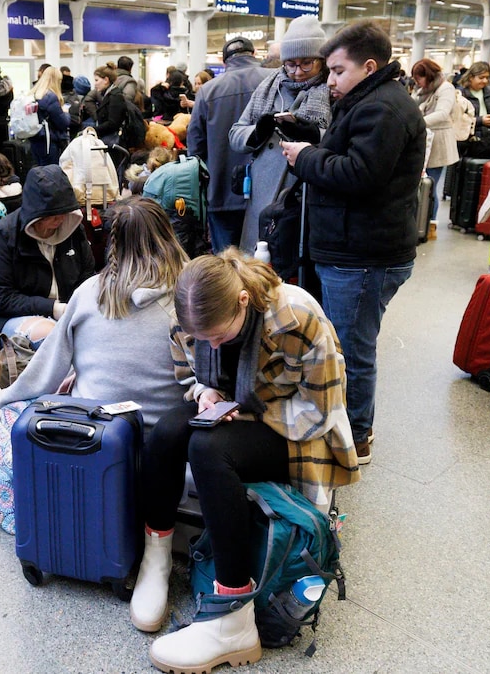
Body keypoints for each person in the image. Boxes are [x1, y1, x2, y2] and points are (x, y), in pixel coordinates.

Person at [132, 251, 359, 671]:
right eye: (203, 340)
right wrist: (205, 393)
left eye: (218, 337)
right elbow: (190, 374)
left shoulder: (296, 314)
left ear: (242, 301)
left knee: (208, 448)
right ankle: (157, 557)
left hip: (294, 427)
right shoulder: (188, 317)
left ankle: (233, 616)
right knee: (165, 434)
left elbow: (320, 409)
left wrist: (246, 414)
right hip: (236, 407)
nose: (212, 346)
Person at [281, 19, 426, 463]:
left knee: (351, 349)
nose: (330, 80)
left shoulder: (383, 108)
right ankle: (346, 424)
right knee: (344, 343)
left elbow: (359, 175)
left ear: (368, 65)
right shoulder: (369, 101)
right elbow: (354, 156)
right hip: (354, 247)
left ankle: (356, 436)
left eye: (338, 70)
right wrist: (316, 142)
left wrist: (306, 157)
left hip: (363, 254)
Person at [0, 197, 188, 428]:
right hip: (164, 434)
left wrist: (2, 400)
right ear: (168, 235)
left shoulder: (89, 292)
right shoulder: (191, 292)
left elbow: (46, 370)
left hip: (93, 431)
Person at [0, 165, 95, 358]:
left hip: (64, 311)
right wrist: (53, 308)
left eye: (65, 212)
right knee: (50, 337)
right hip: (3, 316)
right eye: (51, 214)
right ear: (35, 212)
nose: (59, 219)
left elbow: (86, 277)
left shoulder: (73, 230)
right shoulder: (3, 235)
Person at [229, 15, 332, 254]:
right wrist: (257, 133)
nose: (297, 71)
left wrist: (315, 133)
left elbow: (341, 139)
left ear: (321, 61)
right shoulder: (268, 87)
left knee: (292, 261)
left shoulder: (332, 89)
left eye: (307, 63)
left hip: (304, 193)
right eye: (290, 63)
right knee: (257, 262)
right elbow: (235, 133)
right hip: (261, 194)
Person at [186, 37, 272, 253]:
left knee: (226, 266)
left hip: (221, 191)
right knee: (264, 263)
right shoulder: (274, 81)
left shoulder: (208, 91)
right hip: (270, 191)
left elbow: (195, 147)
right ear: (254, 56)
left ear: (225, 62)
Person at [412, 57, 460, 226]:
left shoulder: (445, 88)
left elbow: (442, 114)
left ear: (429, 75)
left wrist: (415, 123)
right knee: (421, 185)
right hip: (424, 140)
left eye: (419, 78)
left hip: (439, 143)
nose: (417, 82)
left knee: (430, 185)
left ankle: (429, 224)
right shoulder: (422, 91)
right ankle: (419, 222)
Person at [457, 61, 490, 159]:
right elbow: (457, 119)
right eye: (481, 78)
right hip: (470, 143)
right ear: (471, 77)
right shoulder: (460, 95)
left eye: (487, 77)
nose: (484, 81)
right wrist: (480, 120)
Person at [26, 65, 71, 166]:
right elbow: (63, 123)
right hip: (49, 142)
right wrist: (66, 113)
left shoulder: (33, 95)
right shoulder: (50, 97)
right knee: (50, 173)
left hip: (35, 140)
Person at [90, 65, 126, 145]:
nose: (95, 84)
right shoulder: (109, 95)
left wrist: (93, 129)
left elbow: (113, 123)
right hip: (108, 139)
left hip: (111, 141)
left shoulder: (115, 96)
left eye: (96, 80)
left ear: (106, 80)